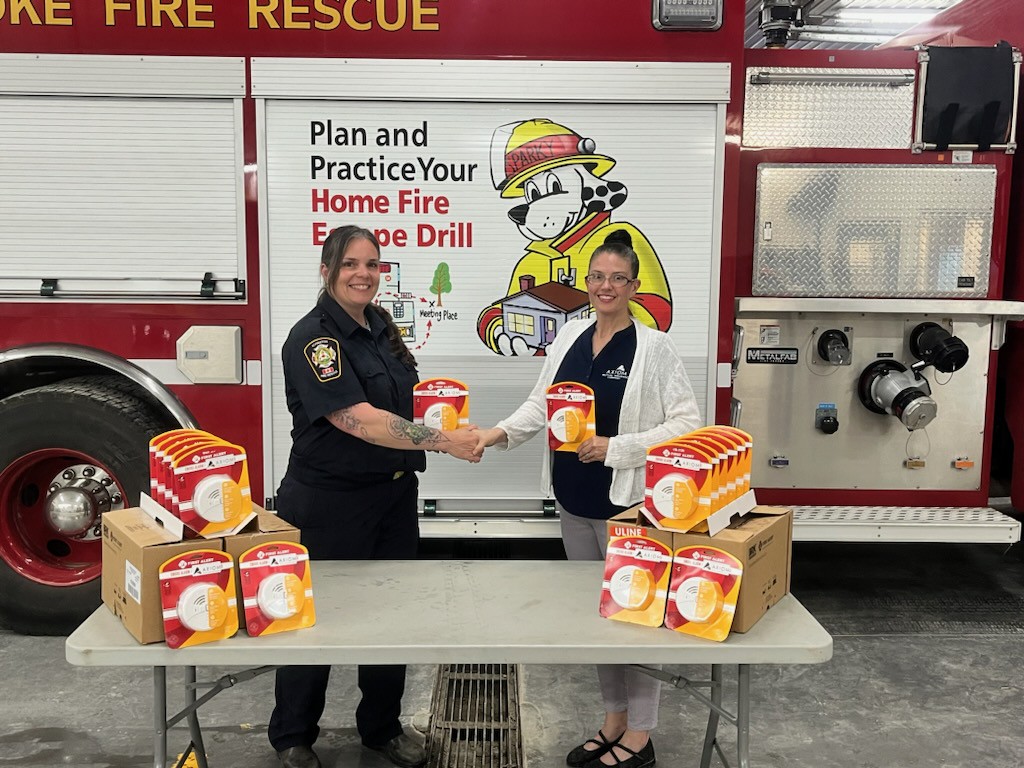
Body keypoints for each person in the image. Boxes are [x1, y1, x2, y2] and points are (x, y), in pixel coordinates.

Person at [473, 230, 701, 768]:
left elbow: (686, 423)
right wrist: (494, 435)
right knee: (600, 619)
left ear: (634, 286)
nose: (606, 286)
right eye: (597, 277)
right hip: (573, 503)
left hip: (627, 508)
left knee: (634, 618)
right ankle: (613, 720)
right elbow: (540, 405)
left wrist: (616, 447)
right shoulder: (569, 338)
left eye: (617, 278)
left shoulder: (654, 347)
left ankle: (640, 735)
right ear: (587, 282)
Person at [269, 225, 481, 768]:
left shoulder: (379, 325)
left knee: (391, 619)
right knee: (315, 621)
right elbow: (356, 419)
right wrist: (444, 441)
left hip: (392, 498)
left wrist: (447, 420)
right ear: (326, 271)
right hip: (330, 503)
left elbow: (399, 405)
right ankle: (294, 736)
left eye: (372, 264)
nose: (362, 274)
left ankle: (381, 728)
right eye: (349, 264)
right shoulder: (314, 339)